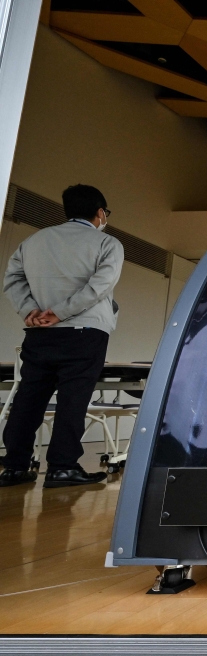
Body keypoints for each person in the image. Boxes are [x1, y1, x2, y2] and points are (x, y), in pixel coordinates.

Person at [0, 184, 124, 487]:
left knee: (29, 398)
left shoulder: (33, 241)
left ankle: (14, 466)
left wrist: (29, 310)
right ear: (99, 213)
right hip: (85, 332)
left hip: (39, 332)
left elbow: (12, 278)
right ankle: (62, 467)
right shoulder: (107, 244)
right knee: (73, 400)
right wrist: (62, 312)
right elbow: (100, 287)